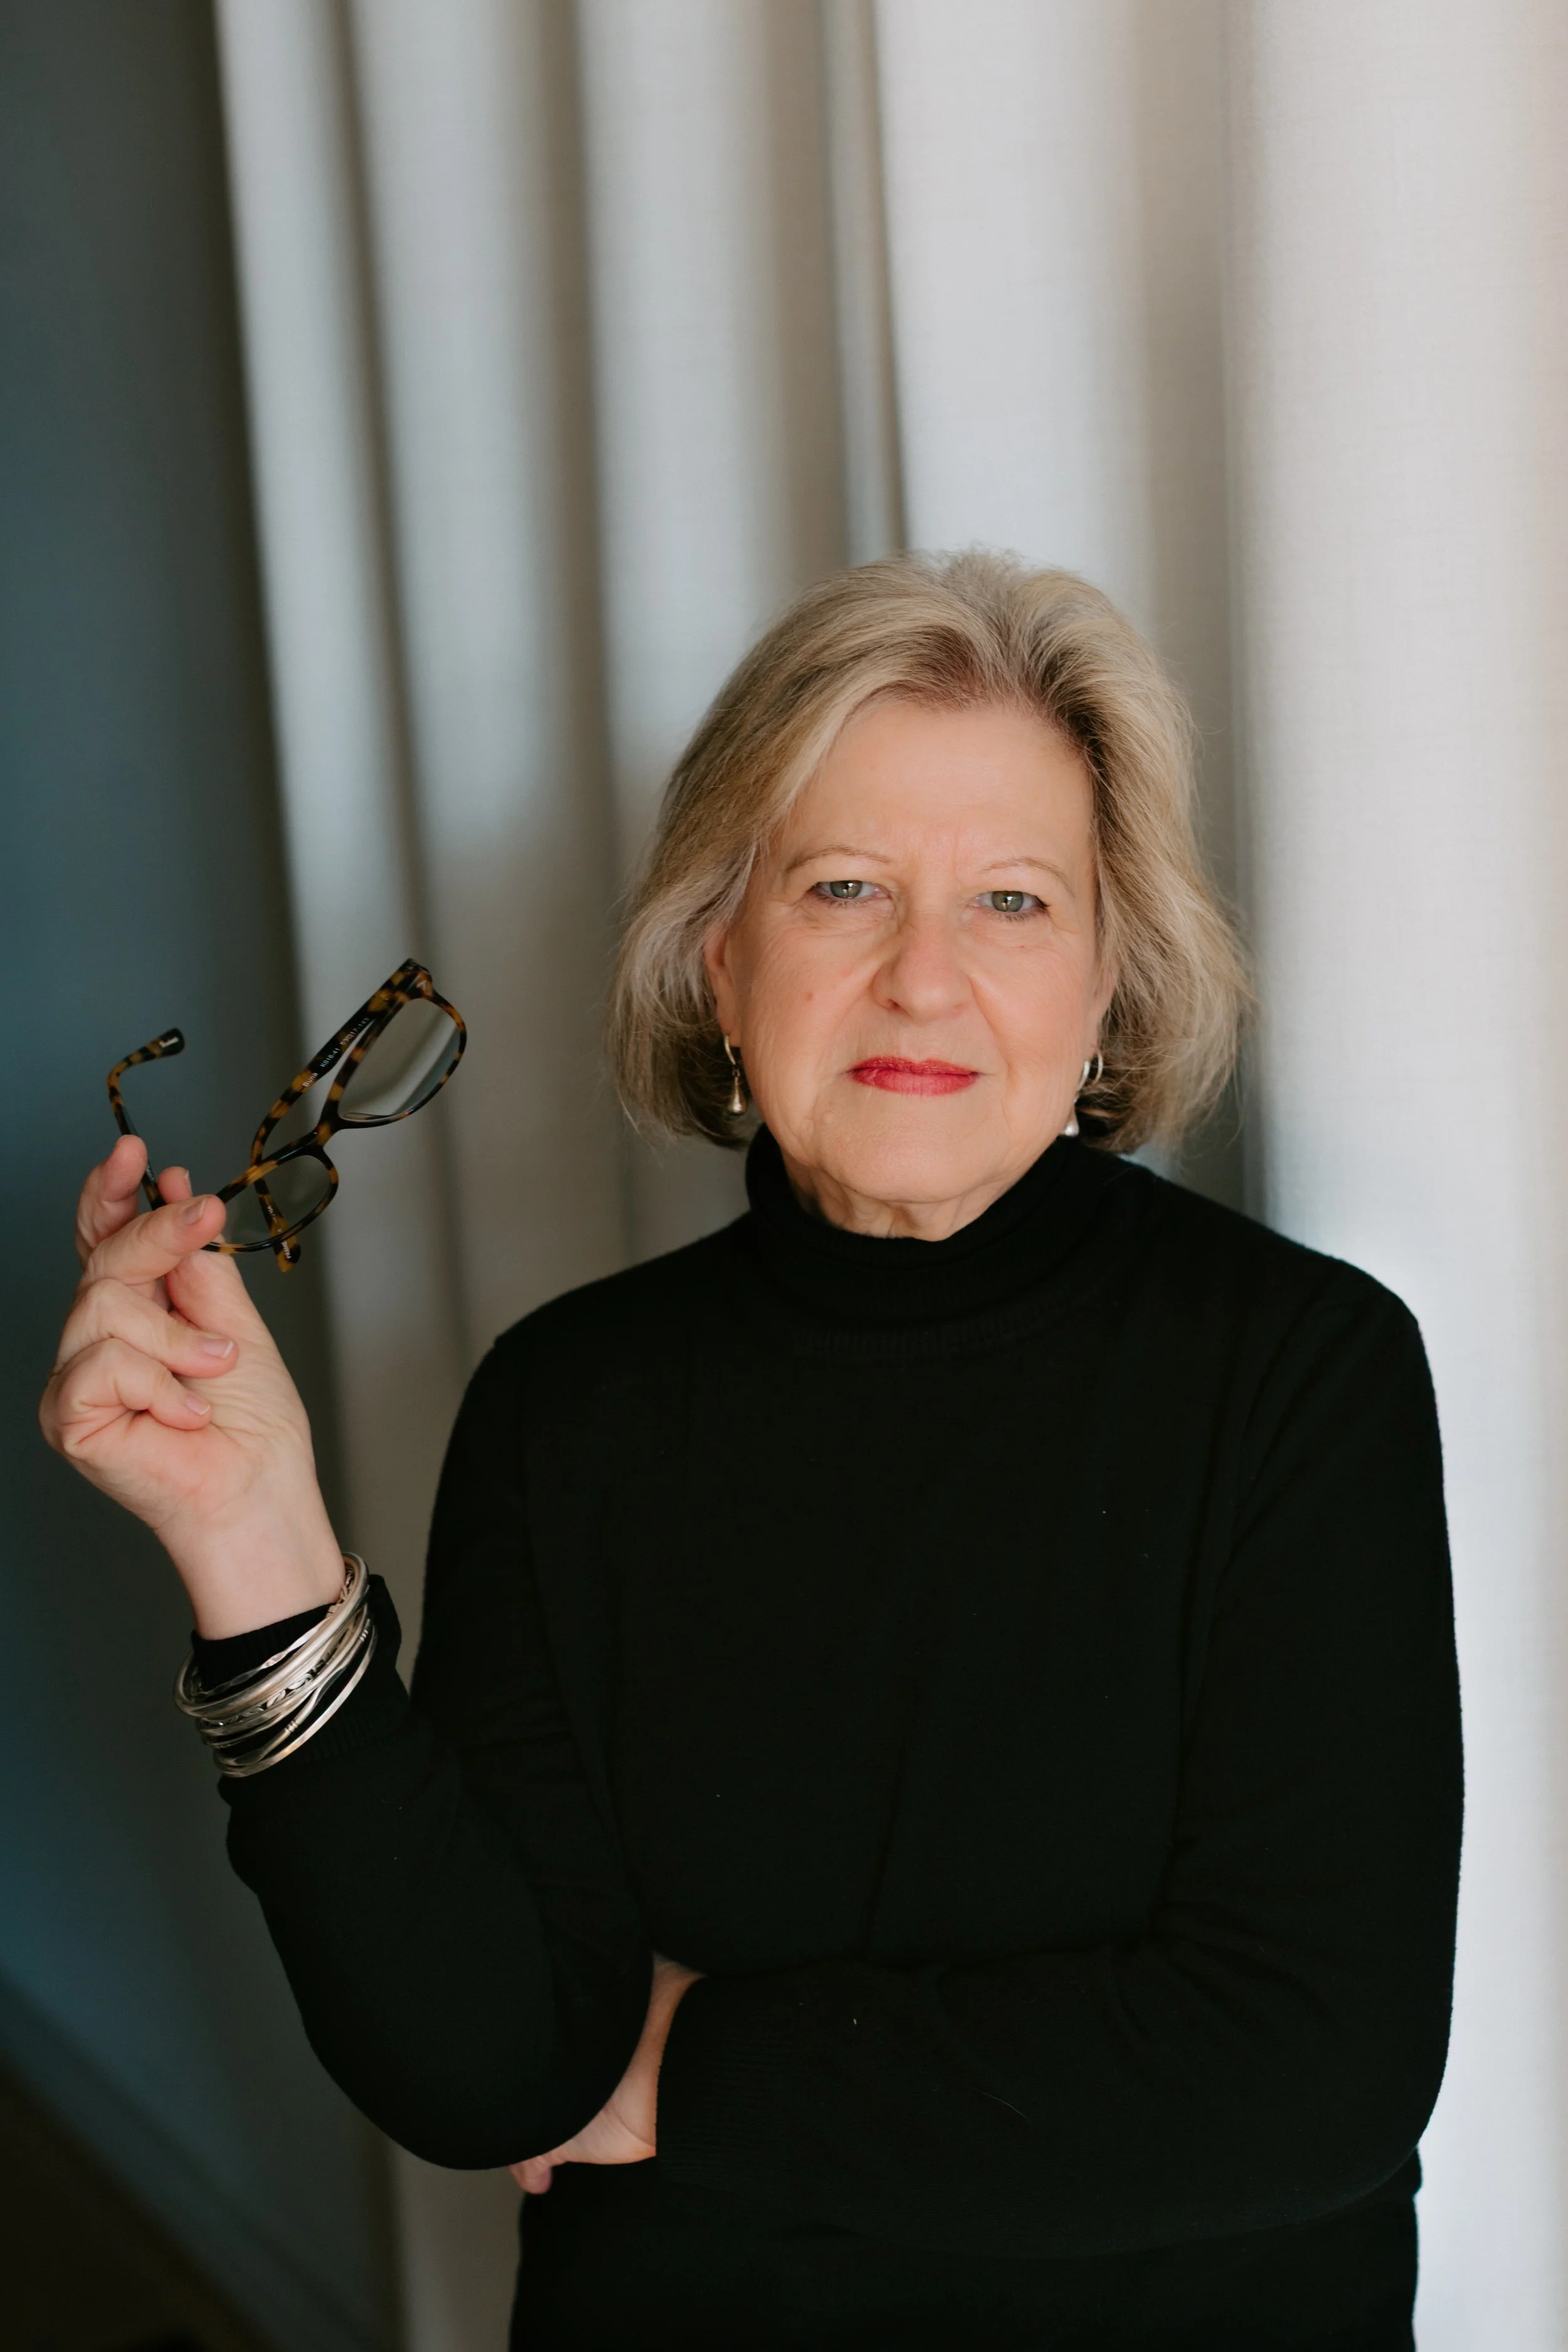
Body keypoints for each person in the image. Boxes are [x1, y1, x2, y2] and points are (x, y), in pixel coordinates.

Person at [41, 552, 1461, 2351]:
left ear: (1111, 978)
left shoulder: (1298, 1374)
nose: (922, 977)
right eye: (843, 886)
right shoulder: (568, 1409)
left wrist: (677, 2061)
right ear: (720, 959)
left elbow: (1304, 2075)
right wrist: (249, 1539)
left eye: (1013, 900)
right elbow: (487, 2071)